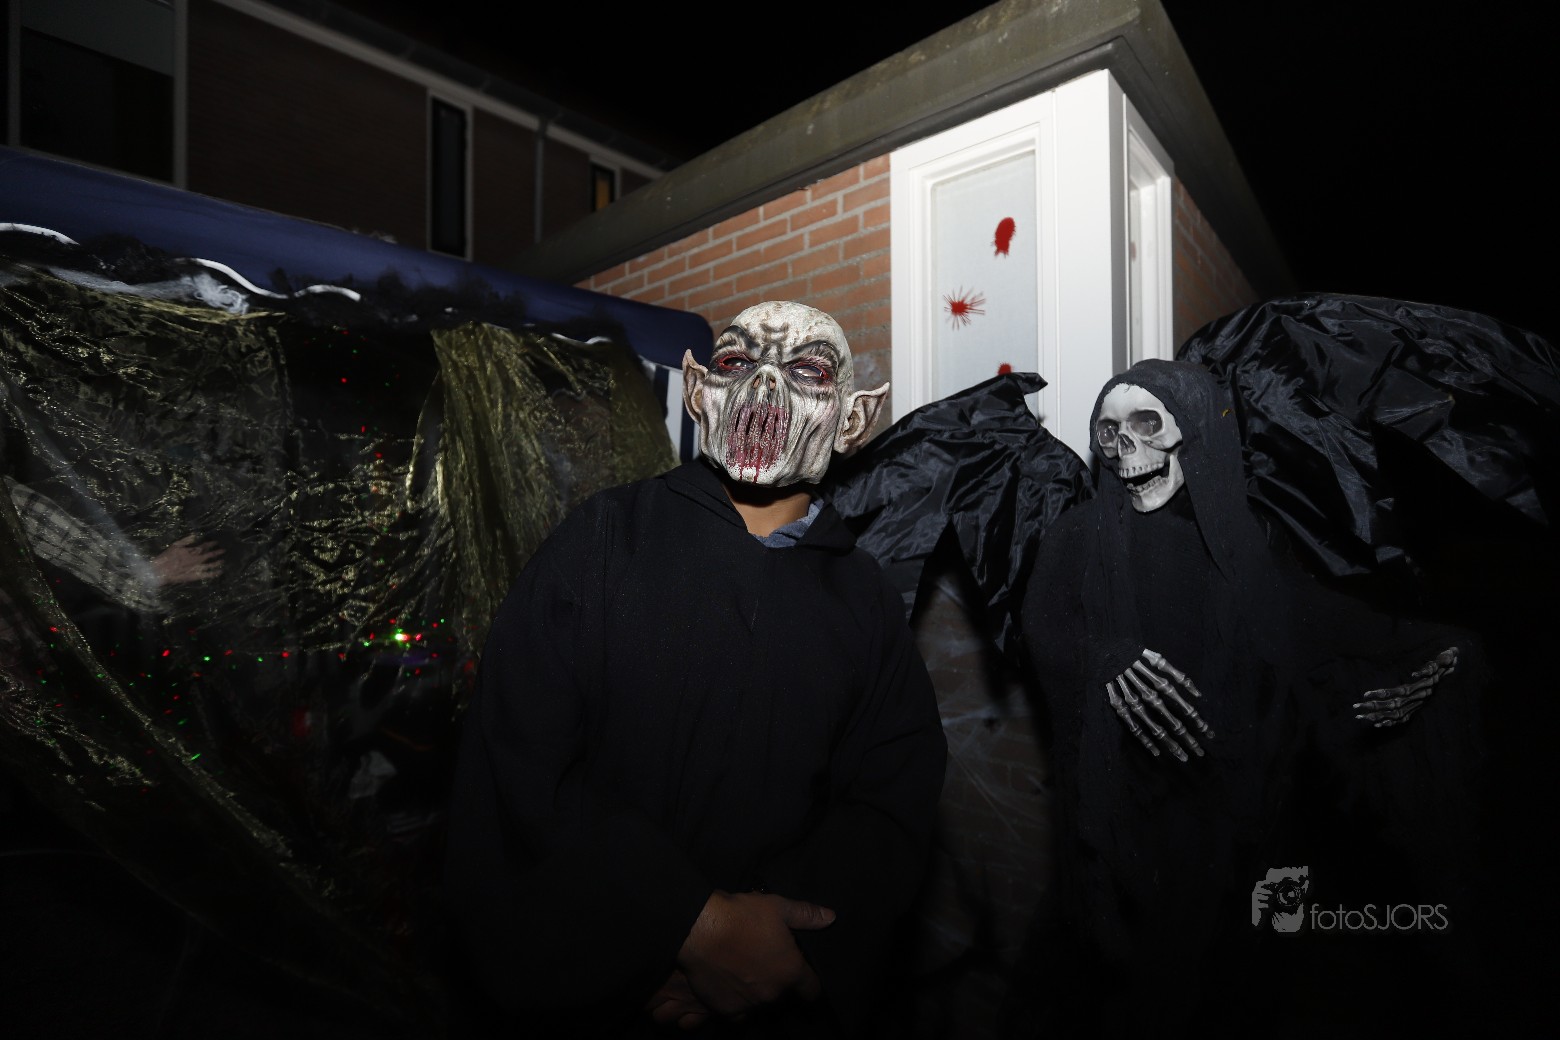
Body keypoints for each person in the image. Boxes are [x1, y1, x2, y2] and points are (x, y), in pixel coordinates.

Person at [443, 301, 948, 1037]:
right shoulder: (604, 539)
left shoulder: (864, 596)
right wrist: (681, 923)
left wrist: (775, 944)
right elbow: (517, 757)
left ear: (853, 419)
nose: (764, 388)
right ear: (700, 392)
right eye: (737, 362)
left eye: (807, 371)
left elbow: (891, 792)